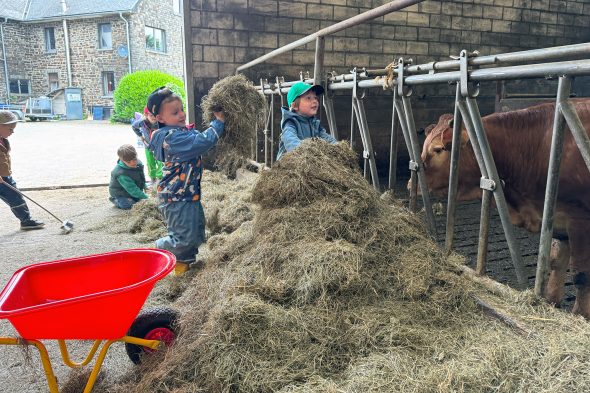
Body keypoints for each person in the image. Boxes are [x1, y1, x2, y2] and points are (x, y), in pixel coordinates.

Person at [147, 86, 225, 275]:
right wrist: (219, 122)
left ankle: (182, 268)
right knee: (183, 238)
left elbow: (196, 137)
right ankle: (158, 248)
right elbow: (202, 142)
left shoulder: (178, 132)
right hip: (176, 197)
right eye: (175, 112)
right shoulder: (172, 139)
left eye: (181, 109)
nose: (182, 114)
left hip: (187, 193)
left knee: (196, 232)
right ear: (160, 119)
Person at [0, 110, 45, 230]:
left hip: (4, 177)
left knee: (15, 196)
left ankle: (26, 220)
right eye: (10, 129)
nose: (12, 132)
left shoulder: (3, 139)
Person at [276, 81, 337, 160]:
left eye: (315, 97)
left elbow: (326, 138)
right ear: (294, 106)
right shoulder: (290, 123)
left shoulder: (314, 124)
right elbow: (290, 140)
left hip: (307, 162)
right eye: (308, 98)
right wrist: (305, 153)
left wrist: (337, 146)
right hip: (289, 166)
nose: (315, 101)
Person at [108, 144, 148, 210]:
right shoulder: (121, 173)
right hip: (121, 193)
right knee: (128, 204)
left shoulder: (138, 163)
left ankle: (135, 197)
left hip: (132, 189)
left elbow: (141, 178)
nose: (133, 163)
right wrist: (147, 197)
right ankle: (115, 200)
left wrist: (144, 186)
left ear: (136, 155)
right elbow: (132, 189)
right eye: (129, 162)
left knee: (138, 199)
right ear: (122, 160)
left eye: (134, 159)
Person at [132, 107, 162, 187]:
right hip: (147, 146)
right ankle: (153, 179)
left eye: (156, 115)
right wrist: (140, 136)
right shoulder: (141, 122)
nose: (154, 117)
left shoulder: (161, 121)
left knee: (160, 162)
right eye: (152, 115)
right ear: (146, 115)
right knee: (150, 162)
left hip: (159, 147)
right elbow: (134, 127)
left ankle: (159, 179)